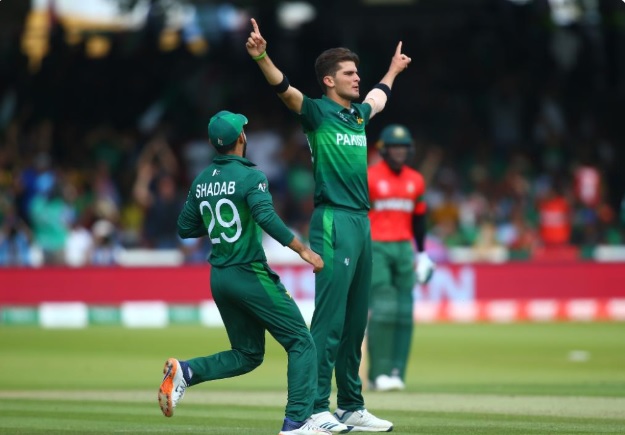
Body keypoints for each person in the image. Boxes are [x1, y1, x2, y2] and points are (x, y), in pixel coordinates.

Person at [246, 18, 411, 433]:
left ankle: (351, 406)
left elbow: (379, 98)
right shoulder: (318, 113)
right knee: (330, 320)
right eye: (349, 73)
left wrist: (393, 70)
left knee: (355, 322)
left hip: (362, 222)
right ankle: (317, 407)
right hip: (334, 220)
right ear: (328, 80)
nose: (357, 78)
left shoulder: (357, 116)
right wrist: (262, 56)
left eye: (357, 72)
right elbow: (285, 90)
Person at [158, 110, 331, 435]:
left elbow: (185, 227)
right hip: (249, 273)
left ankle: (187, 371)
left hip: (220, 278)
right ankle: (297, 423)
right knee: (301, 342)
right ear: (241, 137)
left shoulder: (201, 180)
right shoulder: (252, 177)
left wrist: (220, 221)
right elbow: (266, 217)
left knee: (248, 354)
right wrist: (304, 250)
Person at [366, 124, 435, 392]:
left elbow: (419, 219)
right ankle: (378, 374)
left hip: (404, 248)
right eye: (394, 147)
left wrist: (423, 253)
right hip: (377, 247)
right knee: (384, 308)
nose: (399, 152)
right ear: (383, 150)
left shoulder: (415, 180)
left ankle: (397, 372)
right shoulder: (370, 176)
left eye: (403, 147)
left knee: (405, 311)